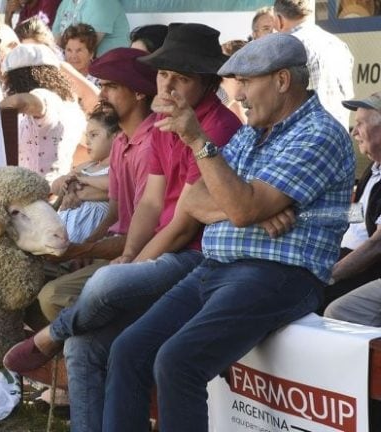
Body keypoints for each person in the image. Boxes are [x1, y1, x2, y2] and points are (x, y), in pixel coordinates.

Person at [101, 33, 354, 432]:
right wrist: (248, 208)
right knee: (128, 349)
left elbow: (239, 206)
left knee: (178, 361)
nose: (240, 93)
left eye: (247, 81)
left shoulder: (319, 134)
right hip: (217, 267)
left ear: (283, 81)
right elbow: (195, 203)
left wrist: (200, 143)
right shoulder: (254, 131)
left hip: (276, 275)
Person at [4, 24, 242, 432]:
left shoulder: (214, 127)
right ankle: (62, 347)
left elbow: (184, 224)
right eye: (163, 74)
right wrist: (130, 256)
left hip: (197, 257)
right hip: (163, 252)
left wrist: (129, 265)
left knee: (100, 288)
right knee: (82, 347)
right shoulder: (167, 119)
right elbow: (151, 202)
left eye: (179, 77)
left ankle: (47, 339)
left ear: (203, 81)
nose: (165, 84)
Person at [322, 91, 381, 322]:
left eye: (360, 124)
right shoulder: (373, 168)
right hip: (345, 257)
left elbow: (376, 246)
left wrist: (328, 275)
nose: (354, 132)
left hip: (366, 268)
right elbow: (357, 215)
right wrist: (305, 216)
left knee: (312, 299)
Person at [0, 43, 86, 184]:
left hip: (36, 194)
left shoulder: (44, 96)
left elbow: (18, 101)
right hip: (56, 190)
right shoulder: (71, 105)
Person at [274, 0, 354, 130]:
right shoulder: (338, 45)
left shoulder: (285, 48)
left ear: (279, 20)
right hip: (338, 139)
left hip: (303, 140)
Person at [54, 108, 118, 243]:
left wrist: (82, 180)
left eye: (94, 135)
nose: (88, 141)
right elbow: (56, 186)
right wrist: (68, 187)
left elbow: (114, 184)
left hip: (86, 238)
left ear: (116, 137)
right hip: (60, 235)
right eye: (87, 136)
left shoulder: (116, 168)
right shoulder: (87, 166)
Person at [52, 0, 129, 56]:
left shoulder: (102, 2)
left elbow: (86, 46)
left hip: (107, 71)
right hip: (81, 67)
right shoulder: (66, 2)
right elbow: (55, 40)